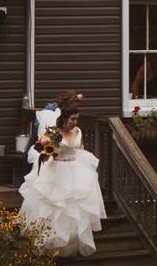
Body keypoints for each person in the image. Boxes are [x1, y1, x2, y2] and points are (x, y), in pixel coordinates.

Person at [18, 91, 107, 256]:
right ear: (64, 118)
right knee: (53, 208)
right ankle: (49, 246)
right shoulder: (54, 132)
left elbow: (80, 150)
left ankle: (68, 248)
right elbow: (41, 147)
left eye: (77, 119)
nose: (75, 122)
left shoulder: (78, 131)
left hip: (74, 172)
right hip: (56, 172)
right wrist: (46, 153)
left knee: (73, 211)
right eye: (72, 119)